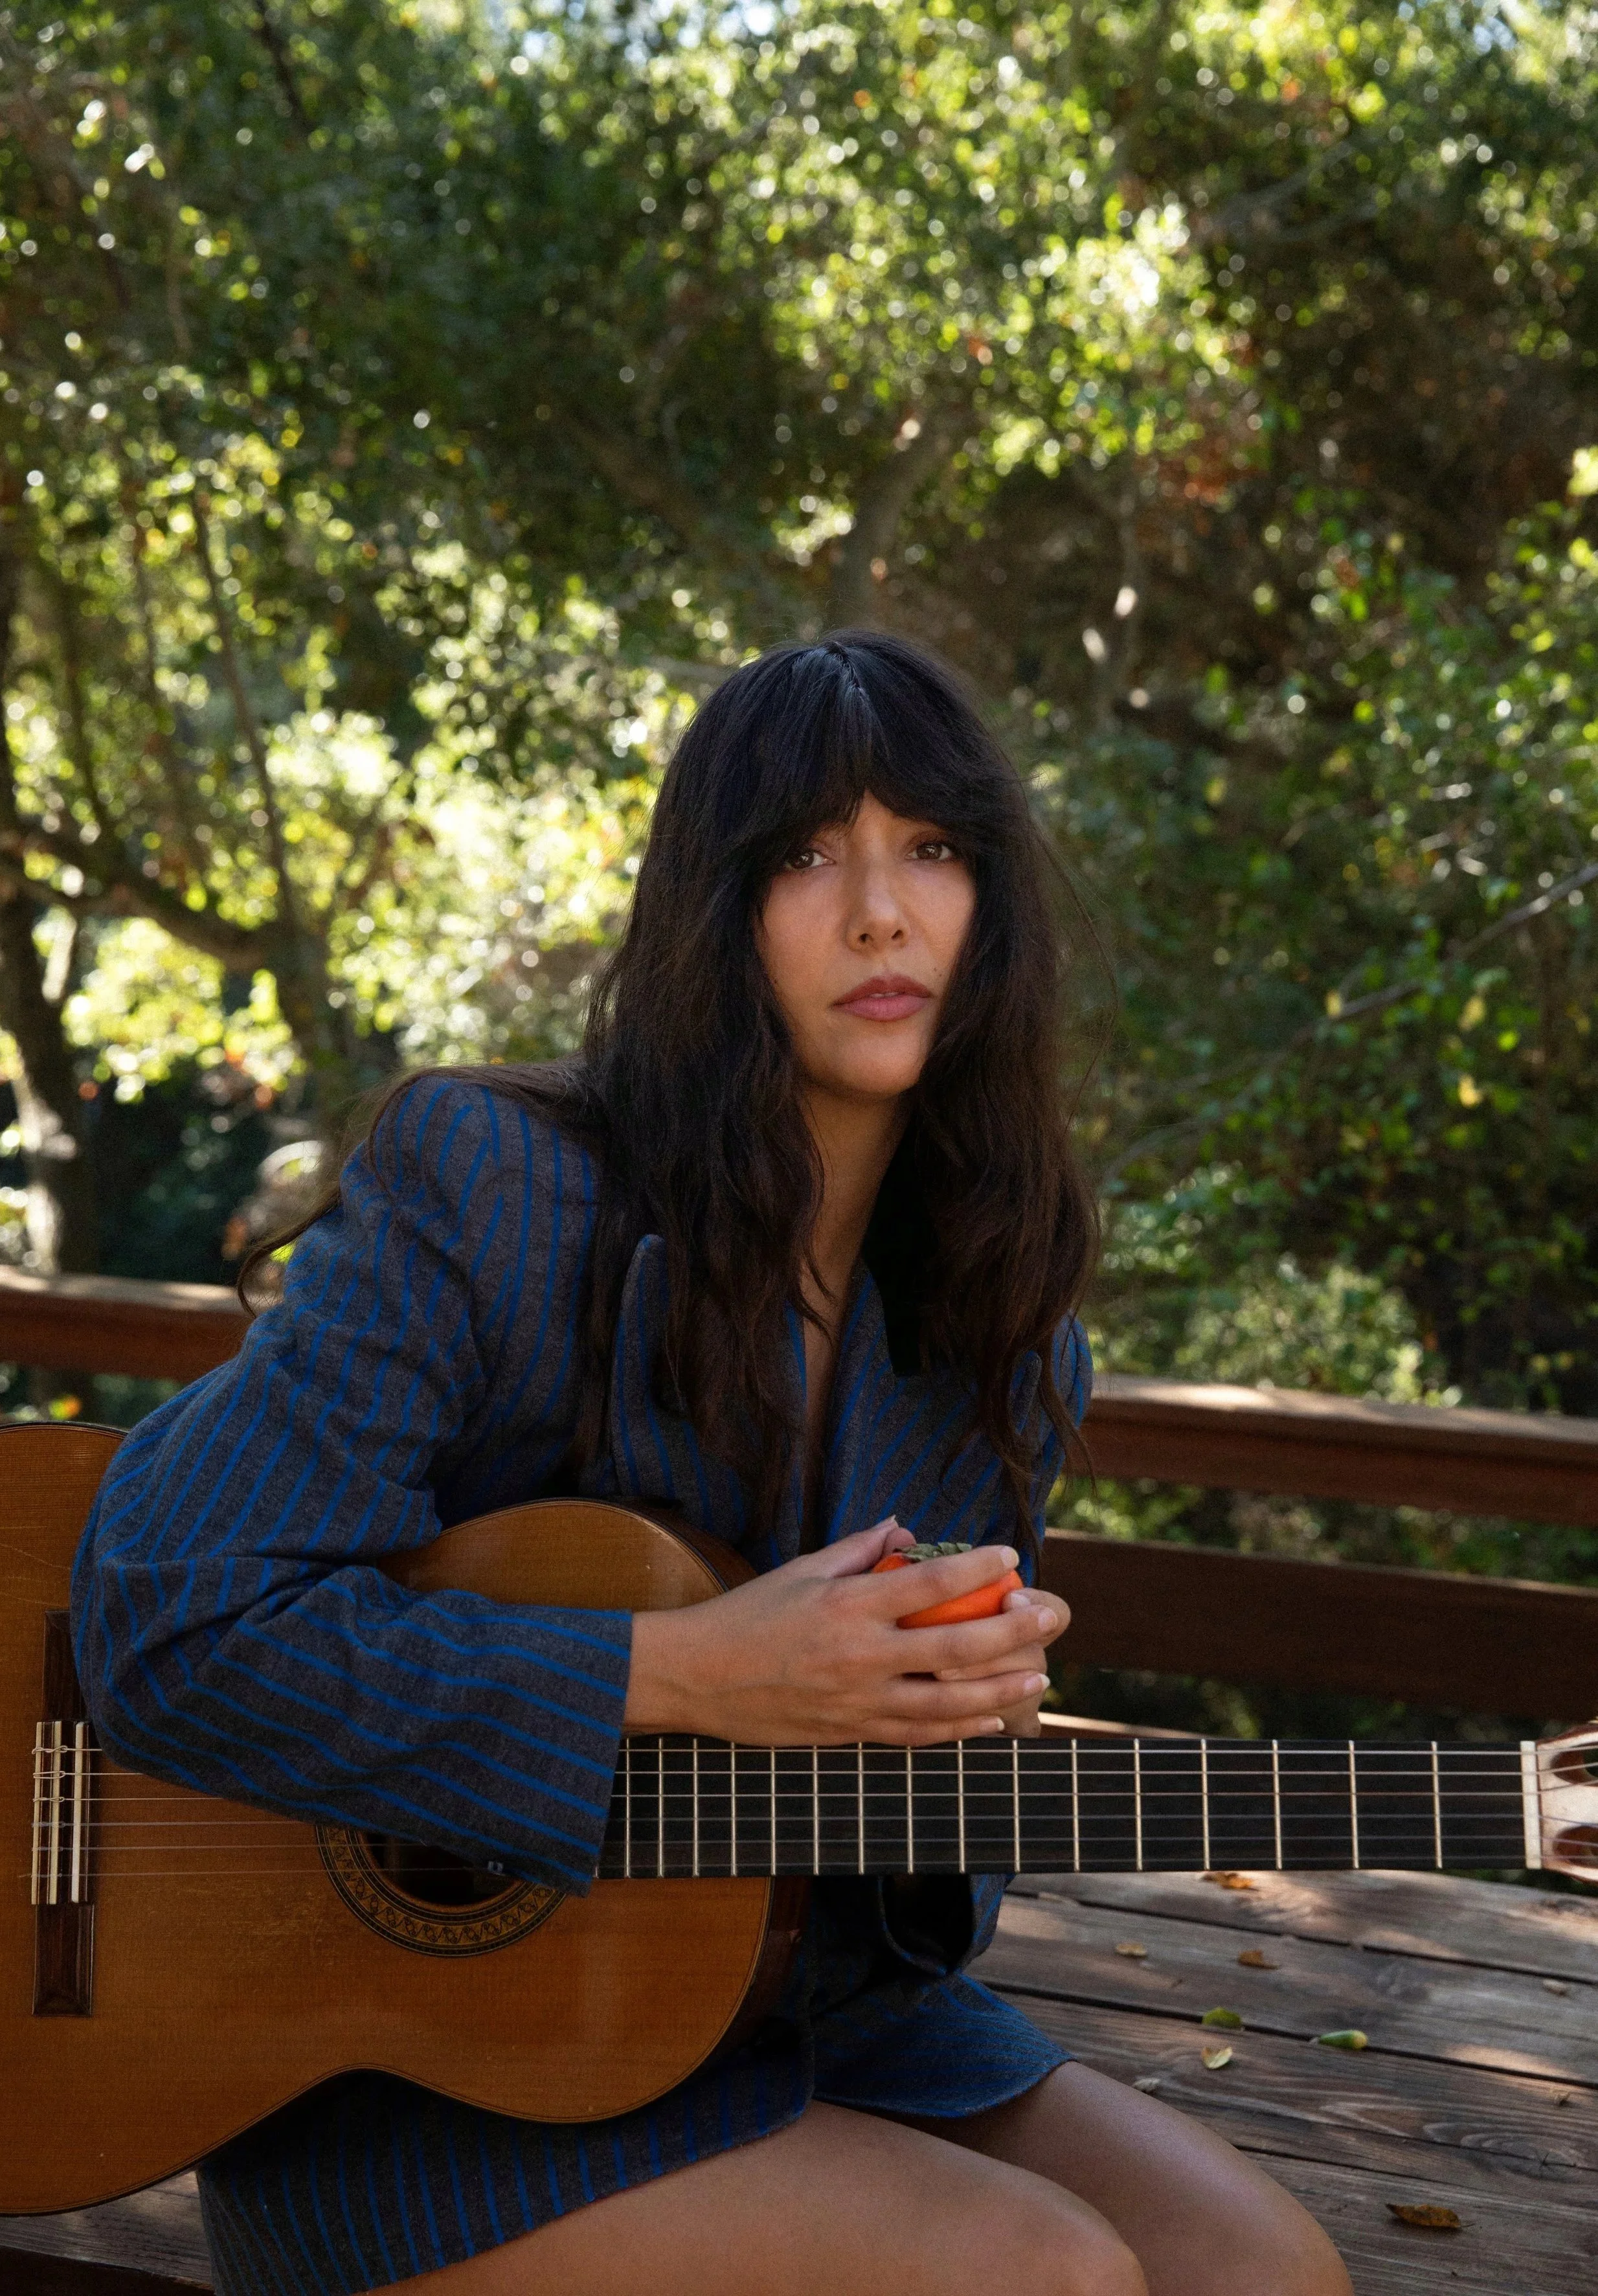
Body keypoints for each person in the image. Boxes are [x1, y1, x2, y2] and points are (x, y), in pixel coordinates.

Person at [72, 633, 1350, 2296]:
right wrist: (681, 1669)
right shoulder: (494, 1188)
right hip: (396, 2068)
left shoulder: (997, 1330)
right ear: (713, 910)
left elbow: (893, 1904)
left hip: (786, 2016)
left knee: (1263, 2272)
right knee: (1043, 2275)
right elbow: (165, 1620)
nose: (880, 912)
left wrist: (937, 1722)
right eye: (808, 855)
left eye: (933, 850)